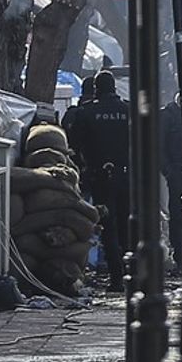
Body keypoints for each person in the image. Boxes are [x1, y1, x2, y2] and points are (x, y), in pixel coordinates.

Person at [66, 71, 131, 291]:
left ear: (96, 89)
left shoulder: (86, 113)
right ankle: (131, 274)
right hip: (127, 175)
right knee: (127, 224)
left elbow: (74, 146)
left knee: (108, 226)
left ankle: (116, 278)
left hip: (101, 176)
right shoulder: (128, 110)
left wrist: (83, 169)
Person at [159, 88, 182, 270]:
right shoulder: (167, 116)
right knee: (177, 213)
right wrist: (169, 171)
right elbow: (159, 146)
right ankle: (180, 253)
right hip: (176, 172)